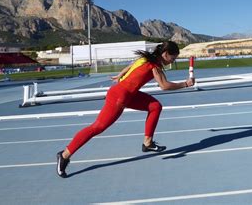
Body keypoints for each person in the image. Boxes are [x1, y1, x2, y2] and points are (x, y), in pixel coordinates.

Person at [56, 41, 195, 178]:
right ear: (165, 54)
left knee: (155, 106)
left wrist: (120, 75)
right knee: (97, 127)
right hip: (119, 97)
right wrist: (186, 84)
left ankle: (148, 143)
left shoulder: (145, 58)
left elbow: (130, 66)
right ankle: (64, 155)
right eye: (173, 58)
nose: (172, 61)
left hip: (129, 95)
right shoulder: (154, 65)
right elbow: (164, 86)